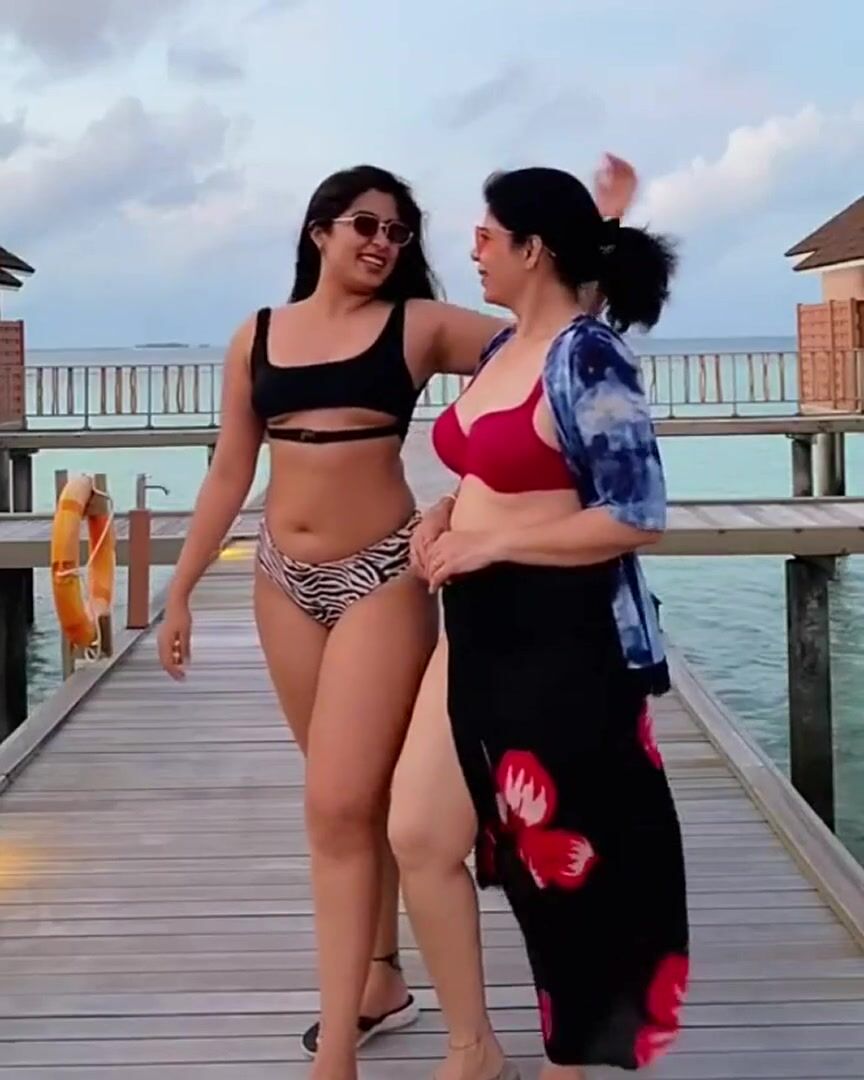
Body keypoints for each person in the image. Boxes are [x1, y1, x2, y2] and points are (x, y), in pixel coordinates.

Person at [156, 164, 512, 1080]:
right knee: (349, 799)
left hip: (382, 577)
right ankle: (382, 978)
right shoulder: (258, 336)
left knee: (337, 805)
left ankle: (339, 1055)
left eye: (398, 232)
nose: (382, 244)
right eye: (365, 225)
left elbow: (543, 347)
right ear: (319, 231)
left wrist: (482, 495)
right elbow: (230, 470)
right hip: (281, 581)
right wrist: (181, 590)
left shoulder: (418, 325)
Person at [389, 165, 689, 1080]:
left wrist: (492, 545)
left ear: (533, 250)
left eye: (488, 235)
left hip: (563, 635)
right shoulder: (501, 349)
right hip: (475, 628)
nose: (472, 249)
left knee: (560, 862)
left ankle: (573, 1061)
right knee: (419, 834)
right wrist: (446, 515)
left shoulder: (588, 357)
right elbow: (489, 468)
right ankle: (472, 1048)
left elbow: (637, 512)